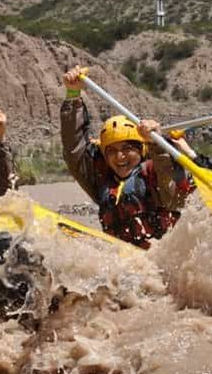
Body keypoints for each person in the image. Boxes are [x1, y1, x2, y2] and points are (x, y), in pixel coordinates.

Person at [60, 65, 195, 249]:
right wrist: (73, 96)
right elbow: (74, 151)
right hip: (122, 258)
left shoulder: (153, 173)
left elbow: (173, 195)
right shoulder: (102, 180)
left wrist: (157, 143)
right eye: (112, 151)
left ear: (141, 150)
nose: (120, 156)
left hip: (158, 259)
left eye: (127, 148)